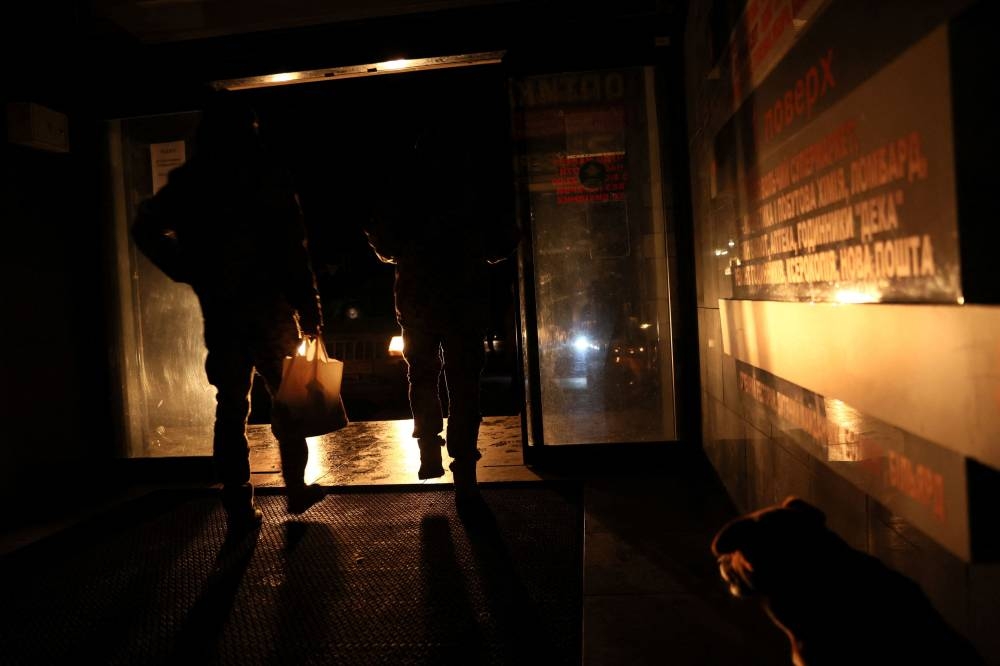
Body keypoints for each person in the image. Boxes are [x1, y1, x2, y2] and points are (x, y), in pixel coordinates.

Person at [131, 93, 326, 531]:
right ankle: (295, 487)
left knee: (230, 407)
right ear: (249, 130)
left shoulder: (191, 181)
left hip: (221, 312)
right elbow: (295, 253)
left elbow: (145, 227)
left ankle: (239, 504)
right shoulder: (268, 177)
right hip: (272, 310)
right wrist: (309, 309)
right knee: (289, 402)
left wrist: (187, 266)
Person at [364, 116, 520, 505]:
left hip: (417, 298)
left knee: (421, 375)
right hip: (465, 297)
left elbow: (385, 245)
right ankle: (464, 466)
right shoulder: (473, 186)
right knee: (465, 384)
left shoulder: (403, 188)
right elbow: (500, 243)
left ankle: (429, 448)